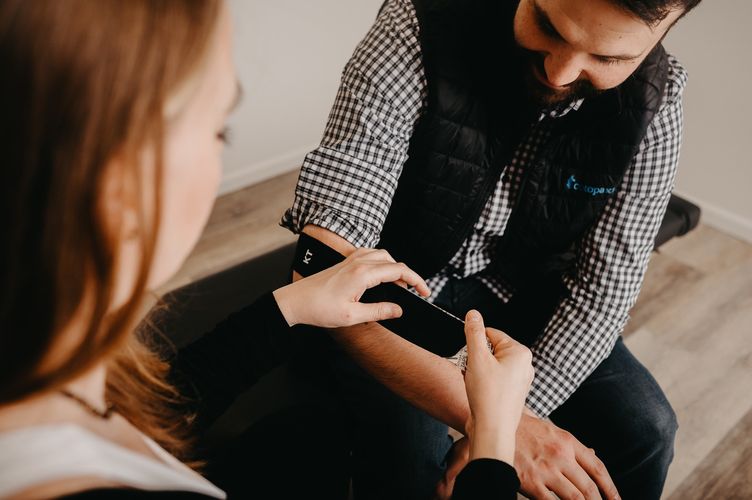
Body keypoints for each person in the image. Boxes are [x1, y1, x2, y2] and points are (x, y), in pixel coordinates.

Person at [0, 0, 534, 498]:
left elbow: (157, 408)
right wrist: (492, 444)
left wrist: (292, 307)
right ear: (121, 189)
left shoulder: (57, 365)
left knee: (303, 438)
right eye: (220, 130)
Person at [282, 0, 703, 498]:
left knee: (648, 430)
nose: (560, 71)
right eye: (548, 25)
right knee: (413, 455)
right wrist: (496, 430)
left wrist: (513, 421)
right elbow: (328, 266)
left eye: (607, 59)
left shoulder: (660, 97)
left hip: (524, 291)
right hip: (400, 290)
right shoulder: (419, 23)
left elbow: (600, 296)